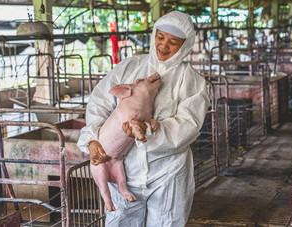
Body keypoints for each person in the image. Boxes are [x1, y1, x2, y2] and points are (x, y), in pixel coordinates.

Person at [77, 10, 210, 226]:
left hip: (167, 172)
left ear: (185, 45)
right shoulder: (129, 67)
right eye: (160, 37)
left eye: (173, 42)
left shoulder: (192, 81)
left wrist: (146, 132)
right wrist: (92, 139)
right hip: (123, 168)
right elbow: (99, 103)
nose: (164, 46)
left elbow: (188, 125)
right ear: (153, 35)